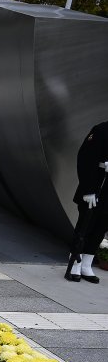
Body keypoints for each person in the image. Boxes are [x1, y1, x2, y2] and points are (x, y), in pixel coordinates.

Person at [66, 120, 108, 283]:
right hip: (96, 186)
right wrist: (89, 189)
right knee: (85, 225)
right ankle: (76, 262)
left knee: (101, 227)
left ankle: (87, 264)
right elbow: (86, 159)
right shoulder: (101, 130)